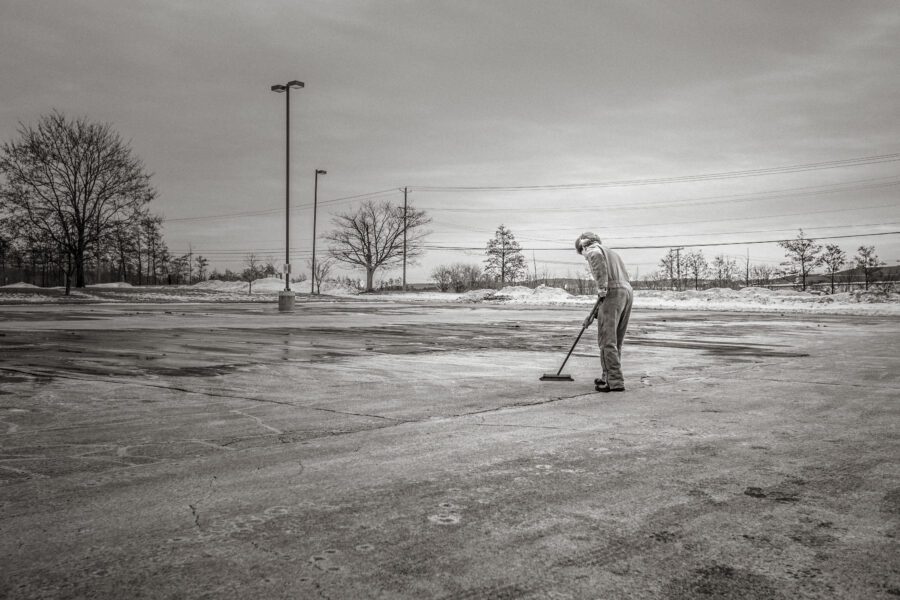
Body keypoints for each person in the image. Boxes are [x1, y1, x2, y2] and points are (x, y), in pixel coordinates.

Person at [576, 232, 633, 392]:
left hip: (613, 292)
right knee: (615, 340)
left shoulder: (592, 249)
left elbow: (605, 287)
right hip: (626, 291)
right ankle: (608, 376)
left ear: (582, 245)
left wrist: (602, 288)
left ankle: (614, 382)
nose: (584, 256)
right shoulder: (611, 252)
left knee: (606, 340)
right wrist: (593, 315)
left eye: (582, 253)